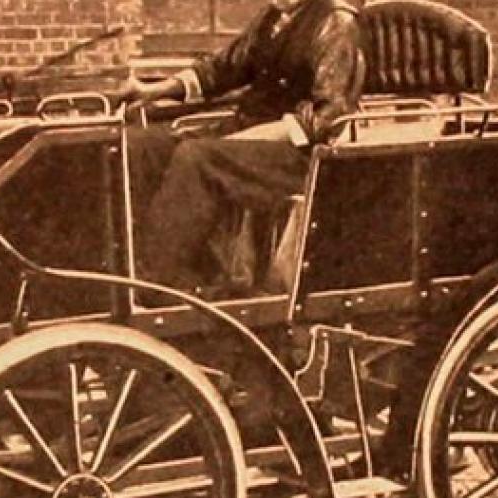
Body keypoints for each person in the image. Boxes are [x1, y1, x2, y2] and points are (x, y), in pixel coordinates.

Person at [118, 0, 367, 295]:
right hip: (247, 134)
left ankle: (156, 283)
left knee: (197, 157)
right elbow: (222, 69)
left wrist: (245, 139)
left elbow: (328, 116)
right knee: (141, 144)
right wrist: (155, 90)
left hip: (296, 154)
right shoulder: (274, 18)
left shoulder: (336, 24)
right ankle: (140, 269)